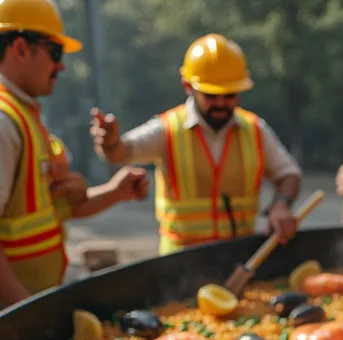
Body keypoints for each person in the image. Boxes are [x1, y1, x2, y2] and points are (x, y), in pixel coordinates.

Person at [90, 33, 302, 254]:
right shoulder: (167, 129)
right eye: (211, 95)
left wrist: (281, 205)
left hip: (240, 257)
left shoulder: (256, 130)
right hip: (180, 264)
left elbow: (288, 174)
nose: (221, 103)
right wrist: (110, 143)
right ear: (187, 86)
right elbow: (122, 152)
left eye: (229, 95)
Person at [0, 0, 149, 307]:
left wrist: (115, 191)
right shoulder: (4, 122)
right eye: (55, 52)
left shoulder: (26, 118)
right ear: (20, 48)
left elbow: (56, 212)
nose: (61, 65)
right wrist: (27, 315)